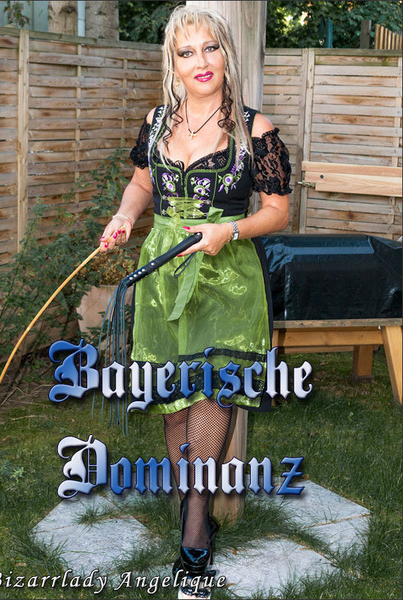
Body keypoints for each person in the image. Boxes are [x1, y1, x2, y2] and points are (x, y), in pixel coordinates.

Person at [99, 6, 291, 599]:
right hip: (162, 272)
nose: (200, 62)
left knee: (210, 389)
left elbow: (277, 212)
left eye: (210, 48)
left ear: (225, 54)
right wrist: (124, 217)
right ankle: (191, 501)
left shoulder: (255, 130)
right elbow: (141, 183)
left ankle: (195, 529)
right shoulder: (157, 121)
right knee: (173, 396)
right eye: (187, 53)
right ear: (173, 62)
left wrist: (228, 230)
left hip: (226, 275)